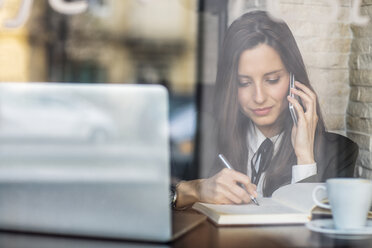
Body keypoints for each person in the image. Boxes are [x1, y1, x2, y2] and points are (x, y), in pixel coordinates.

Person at [172, 10, 358, 209]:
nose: (259, 97)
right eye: (244, 83)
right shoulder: (202, 140)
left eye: (272, 80)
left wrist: (305, 159)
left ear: (294, 80)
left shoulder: (339, 153)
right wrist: (194, 190)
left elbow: (321, 231)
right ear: (230, 87)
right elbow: (147, 201)